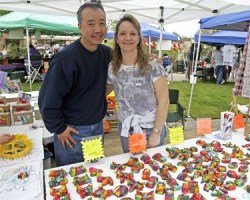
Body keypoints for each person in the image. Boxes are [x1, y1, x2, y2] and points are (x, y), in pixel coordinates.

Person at [38, 2, 112, 167]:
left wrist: (149, 58)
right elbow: (47, 100)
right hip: (73, 132)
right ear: (80, 26)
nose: (98, 29)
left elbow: (128, 61)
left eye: (102, 23)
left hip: (97, 128)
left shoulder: (106, 53)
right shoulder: (65, 59)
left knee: (95, 173)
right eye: (90, 24)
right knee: (71, 179)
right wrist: (59, 128)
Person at [106, 14, 169, 153]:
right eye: (123, 33)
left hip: (151, 128)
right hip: (127, 129)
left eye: (133, 33)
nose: (127, 38)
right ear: (116, 38)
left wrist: (156, 132)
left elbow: (164, 101)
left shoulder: (152, 64)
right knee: (131, 170)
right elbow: (102, 92)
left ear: (139, 38)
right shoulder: (112, 67)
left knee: (153, 170)